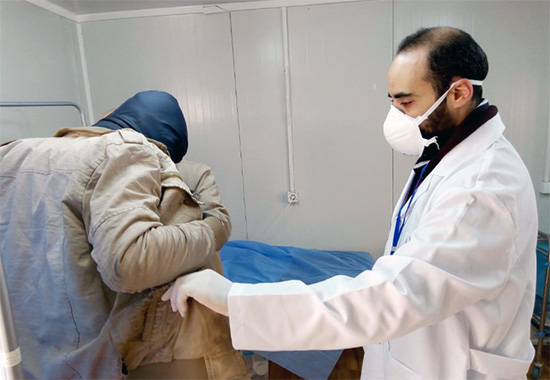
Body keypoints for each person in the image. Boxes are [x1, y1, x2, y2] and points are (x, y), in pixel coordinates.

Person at [162, 27, 539, 379]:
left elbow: (394, 295)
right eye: (392, 102)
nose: (396, 117)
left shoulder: (482, 186)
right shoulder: (445, 153)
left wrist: (235, 298)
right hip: (418, 352)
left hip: (451, 366)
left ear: (458, 94)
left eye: (406, 103)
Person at [0, 91, 249, 379]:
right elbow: (132, 261)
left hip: (30, 351)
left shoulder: (13, 154)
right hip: (115, 351)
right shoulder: (125, 149)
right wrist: (212, 229)